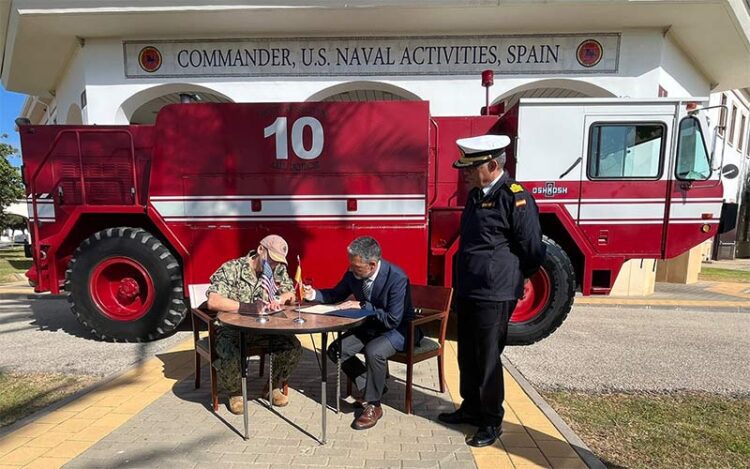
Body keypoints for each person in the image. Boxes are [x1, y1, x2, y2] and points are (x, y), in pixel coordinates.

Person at [438, 135, 545, 447]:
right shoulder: (476, 195)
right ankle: (470, 407)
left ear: (493, 165)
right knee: (468, 355)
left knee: (487, 358)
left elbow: (533, 249)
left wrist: (515, 277)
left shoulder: (514, 197)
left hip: (495, 293)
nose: (465, 174)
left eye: (471, 169)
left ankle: (491, 420)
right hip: (470, 290)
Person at [303, 236, 416, 430]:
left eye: (356, 267)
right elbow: (335, 294)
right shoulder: (353, 273)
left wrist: (363, 305)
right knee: (336, 350)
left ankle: (374, 405)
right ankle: (370, 386)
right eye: (351, 265)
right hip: (370, 326)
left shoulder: (397, 278)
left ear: (372, 264)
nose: (352, 269)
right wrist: (312, 294)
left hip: (399, 330)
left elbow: (392, 319)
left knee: (374, 351)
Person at [206, 234, 303, 414]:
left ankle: (271, 386)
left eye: (278, 261)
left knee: (293, 347)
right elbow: (213, 301)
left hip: (264, 329)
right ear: (260, 250)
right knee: (228, 350)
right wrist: (247, 308)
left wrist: (278, 299)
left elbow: (290, 294)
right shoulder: (232, 268)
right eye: (272, 259)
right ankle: (234, 392)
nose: (273, 265)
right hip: (232, 329)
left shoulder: (277, 270)